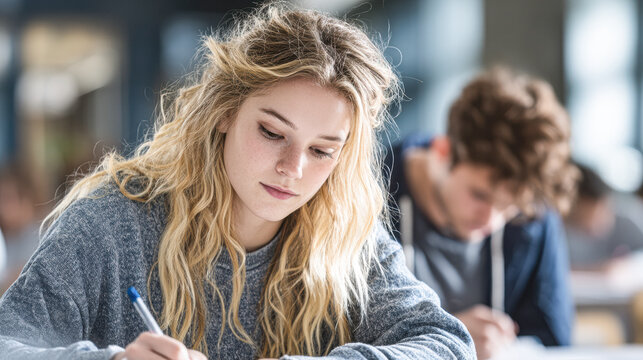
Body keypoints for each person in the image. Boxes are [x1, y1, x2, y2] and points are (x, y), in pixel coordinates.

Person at [0, 5, 475, 360]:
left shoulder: (346, 235)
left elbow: (448, 343)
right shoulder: (111, 223)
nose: (294, 168)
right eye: (272, 133)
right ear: (226, 112)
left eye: (322, 151)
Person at [385, 68, 578, 359]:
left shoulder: (532, 216)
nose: (491, 220)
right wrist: (446, 337)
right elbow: (336, 334)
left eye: (509, 206)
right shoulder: (367, 193)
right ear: (442, 150)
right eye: (480, 195)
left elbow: (553, 339)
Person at [565, 162, 643, 274]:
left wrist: (623, 266)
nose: (596, 224)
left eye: (600, 212)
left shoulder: (628, 216)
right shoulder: (563, 229)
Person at [0, 164, 42, 293]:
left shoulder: (40, 235)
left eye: (7, 199)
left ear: (25, 200)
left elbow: (22, 278)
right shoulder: (10, 237)